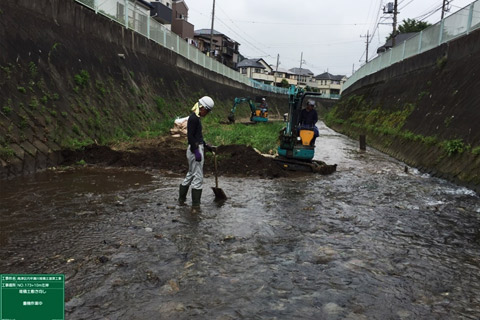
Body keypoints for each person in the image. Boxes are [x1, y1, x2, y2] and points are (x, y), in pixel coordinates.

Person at [178, 96, 215, 209]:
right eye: (207, 111)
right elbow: (190, 137)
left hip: (196, 147)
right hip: (195, 149)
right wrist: (197, 152)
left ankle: (181, 199)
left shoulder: (195, 118)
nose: (206, 113)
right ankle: (195, 206)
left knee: (190, 174)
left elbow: (196, 136)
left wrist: (205, 144)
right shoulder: (194, 119)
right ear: (202, 107)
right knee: (198, 177)